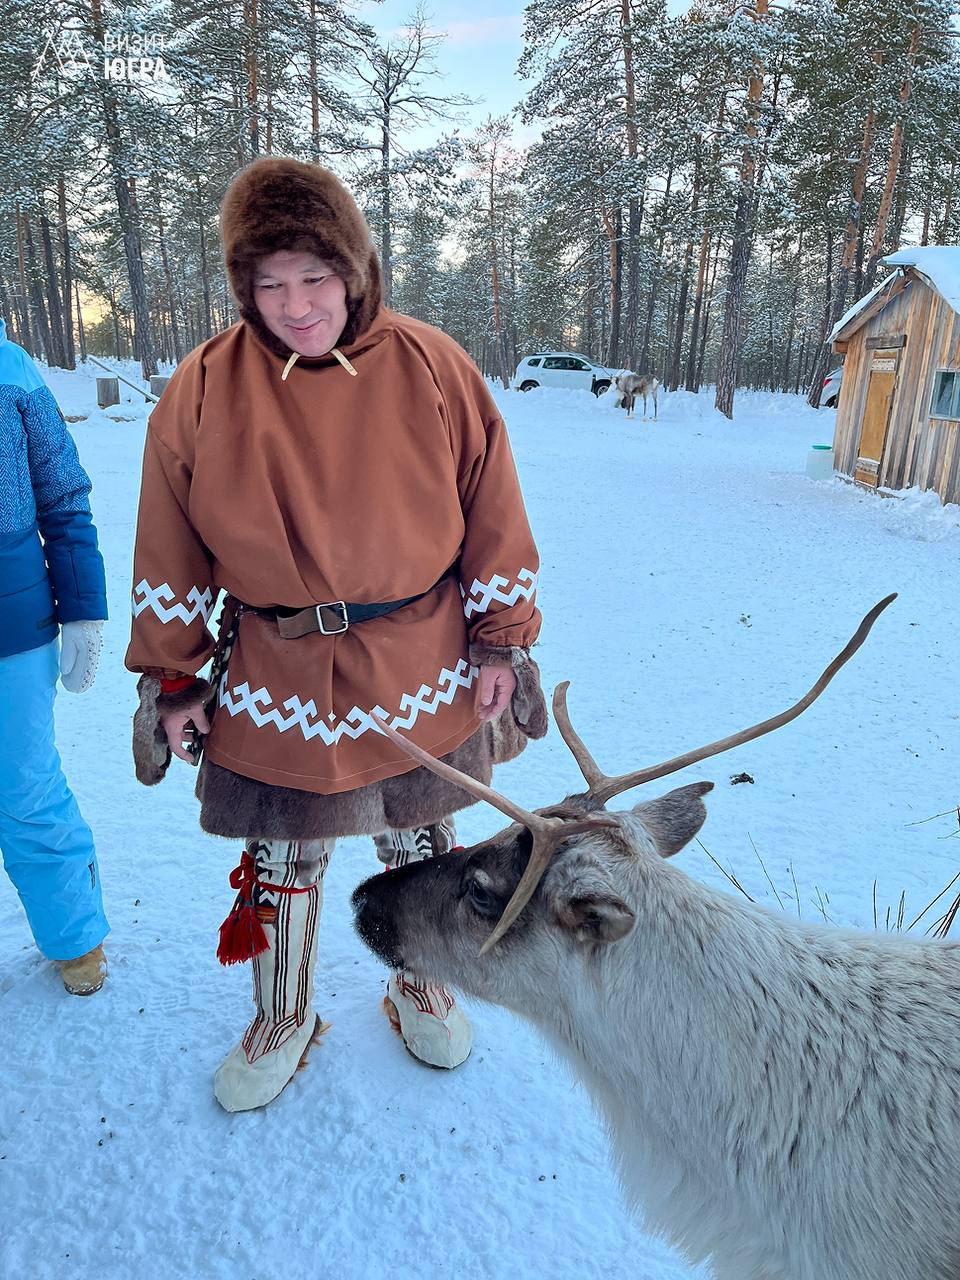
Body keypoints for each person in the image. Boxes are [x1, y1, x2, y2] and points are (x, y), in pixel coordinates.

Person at [126, 157, 546, 1112]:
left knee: (421, 836)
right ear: (243, 286)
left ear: (354, 270)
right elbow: (170, 544)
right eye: (269, 283)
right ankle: (283, 1014)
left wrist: (500, 639)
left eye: (314, 277)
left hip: (417, 651)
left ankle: (420, 980)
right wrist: (175, 680)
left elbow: (492, 509)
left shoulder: (432, 365)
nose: (295, 305)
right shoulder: (204, 385)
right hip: (276, 662)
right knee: (281, 855)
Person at [0, 317, 109, 994]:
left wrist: (83, 608)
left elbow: (63, 496)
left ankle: (73, 936)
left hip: (12, 629)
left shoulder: (11, 369)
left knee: (26, 788)